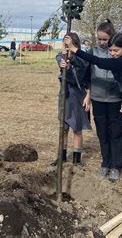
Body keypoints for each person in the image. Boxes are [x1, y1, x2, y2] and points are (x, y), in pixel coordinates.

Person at [64, 33, 122, 200]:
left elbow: (100, 62)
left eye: (115, 50)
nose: (112, 53)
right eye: (111, 50)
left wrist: (75, 49)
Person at [84, 20, 122, 182]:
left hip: (115, 98)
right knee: (102, 132)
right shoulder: (92, 52)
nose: (101, 42)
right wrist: (88, 94)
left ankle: (116, 165)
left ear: (111, 37)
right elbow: (87, 74)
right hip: (98, 98)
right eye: (99, 39)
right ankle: (105, 162)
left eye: (104, 39)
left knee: (116, 132)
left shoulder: (117, 51)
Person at [52, 32, 91, 166]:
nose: (65, 45)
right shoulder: (60, 56)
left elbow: (84, 67)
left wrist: (71, 58)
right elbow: (59, 60)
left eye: (68, 43)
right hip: (65, 93)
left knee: (77, 127)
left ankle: (76, 159)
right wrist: (63, 62)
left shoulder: (82, 59)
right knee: (63, 127)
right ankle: (61, 157)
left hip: (77, 94)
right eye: (64, 42)